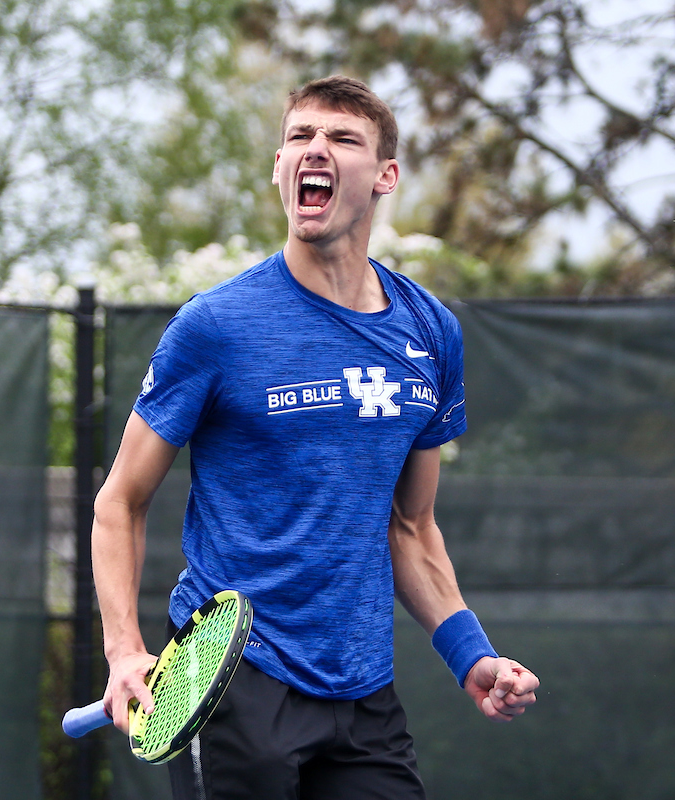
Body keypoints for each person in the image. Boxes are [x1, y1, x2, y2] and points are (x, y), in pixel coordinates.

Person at [92, 75, 540, 799]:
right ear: (279, 167)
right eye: (300, 136)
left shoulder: (431, 333)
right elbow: (119, 502)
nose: (315, 150)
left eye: (342, 138)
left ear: (385, 175)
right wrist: (123, 651)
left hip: (364, 696)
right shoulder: (215, 326)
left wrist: (471, 656)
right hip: (233, 680)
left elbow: (411, 526)